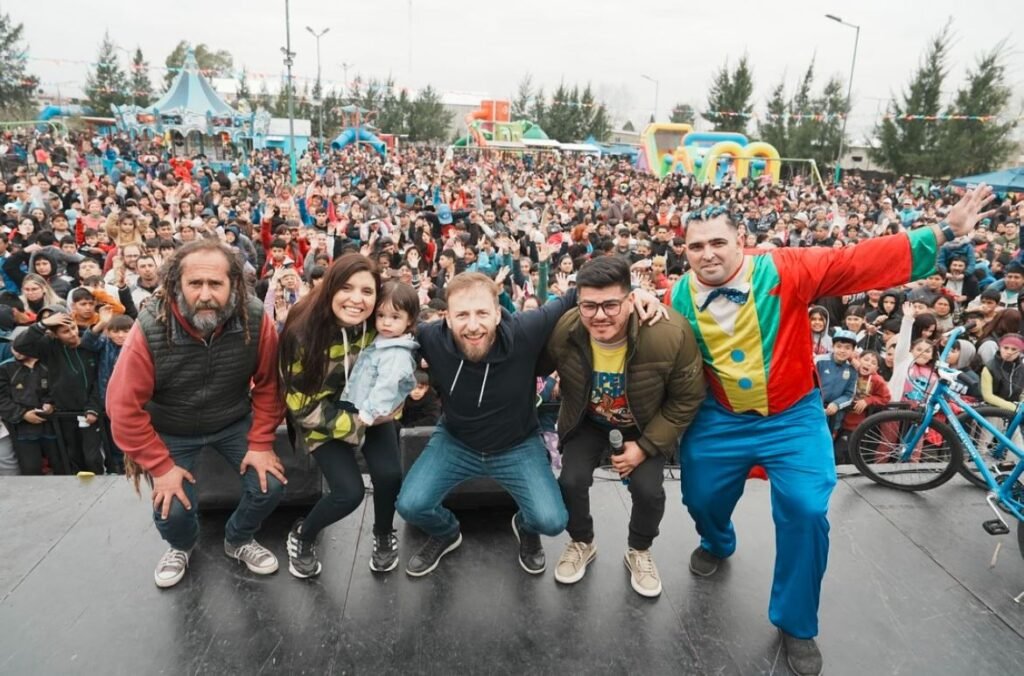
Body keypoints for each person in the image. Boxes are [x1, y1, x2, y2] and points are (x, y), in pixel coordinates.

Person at [666, 187, 994, 676]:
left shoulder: (784, 267)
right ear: (683, 251)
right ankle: (716, 540)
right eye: (696, 246)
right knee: (700, 497)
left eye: (718, 242)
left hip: (792, 417)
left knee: (805, 509)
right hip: (720, 419)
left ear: (741, 240)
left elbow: (857, 261)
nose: (707, 254)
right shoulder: (674, 295)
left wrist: (943, 232)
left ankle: (797, 622)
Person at [396, 271, 664, 577]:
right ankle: (446, 532)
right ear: (447, 318)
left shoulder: (527, 329)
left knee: (551, 521)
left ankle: (524, 526)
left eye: (482, 313)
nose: (472, 325)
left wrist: (639, 292)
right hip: (456, 441)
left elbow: (575, 294)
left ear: (498, 314)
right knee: (410, 505)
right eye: (462, 315)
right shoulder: (430, 337)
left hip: (517, 445)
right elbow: (386, 318)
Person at [106, 239, 287, 589]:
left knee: (271, 485)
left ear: (234, 284)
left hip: (231, 419)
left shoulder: (254, 318)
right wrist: (160, 466)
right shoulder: (150, 327)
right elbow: (123, 407)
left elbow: (269, 384)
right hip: (171, 428)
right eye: (195, 284)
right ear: (177, 285)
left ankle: (238, 540)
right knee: (171, 509)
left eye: (216, 284)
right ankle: (182, 546)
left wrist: (262, 442)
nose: (205, 294)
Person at [542, 256, 704, 597]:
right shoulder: (565, 330)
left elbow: (686, 399)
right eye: (589, 306)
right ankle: (581, 541)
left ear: (631, 299)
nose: (599, 316)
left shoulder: (668, 334)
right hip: (588, 420)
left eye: (611, 305)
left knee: (648, 491)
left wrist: (644, 448)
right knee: (570, 480)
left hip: (644, 424)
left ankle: (639, 550)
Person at [279, 255, 405, 579]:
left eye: (367, 291)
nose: (356, 299)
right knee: (348, 493)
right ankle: (303, 534)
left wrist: (392, 402)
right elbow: (302, 407)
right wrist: (361, 422)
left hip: (367, 406)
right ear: (331, 287)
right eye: (347, 287)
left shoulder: (379, 322)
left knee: (390, 474)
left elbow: (397, 365)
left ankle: (383, 533)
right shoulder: (301, 332)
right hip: (320, 415)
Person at [340, 280, 420, 427]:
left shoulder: (397, 353)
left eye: (395, 317)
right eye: (381, 315)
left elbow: (386, 386)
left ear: (409, 319)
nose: (386, 323)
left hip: (368, 413)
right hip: (357, 404)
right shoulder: (380, 338)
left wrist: (369, 413)